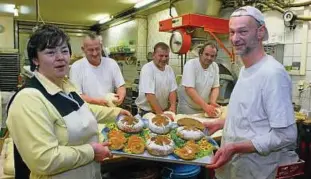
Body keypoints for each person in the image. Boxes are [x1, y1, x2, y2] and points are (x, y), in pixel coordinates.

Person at [6, 25, 132, 179]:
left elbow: (84, 111)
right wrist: (92, 151)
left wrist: (116, 114)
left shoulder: (65, 85)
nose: (60, 57)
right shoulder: (28, 99)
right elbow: (45, 160)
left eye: (64, 51)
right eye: (50, 52)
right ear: (35, 59)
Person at [204, 6, 298, 179]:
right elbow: (251, 116)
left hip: (257, 172)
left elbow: (286, 135)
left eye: (243, 32)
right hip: (235, 169)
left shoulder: (272, 73)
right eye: (232, 32)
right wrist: (221, 123)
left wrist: (235, 147)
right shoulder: (245, 70)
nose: (235, 38)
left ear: (260, 32)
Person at [69, 32, 126, 106]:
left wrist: (121, 96)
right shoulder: (76, 67)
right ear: (83, 49)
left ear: (101, 47)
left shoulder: (111, 63)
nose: (95, 53)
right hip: (88, 111)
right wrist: (97, 101)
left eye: (97, 49)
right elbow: (77, 95)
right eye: (90, 50)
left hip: (109, 110)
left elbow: (121, 86)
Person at [135, 42, 177, 117]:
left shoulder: (169, 69)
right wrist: (161, 115)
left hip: (162, 110)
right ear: (154, 55)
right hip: (147, 112)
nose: (164, 58)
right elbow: (150, 96)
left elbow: (172, 90)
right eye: (161, 56)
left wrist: (172, 106)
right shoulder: (148, 69)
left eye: (166, 56)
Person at [177, 41, 219, 115]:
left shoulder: (214, 66)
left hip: (203, 108)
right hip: (187, 107)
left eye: (212, 56)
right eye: (206, 54)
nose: (209, 58)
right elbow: (189, 89)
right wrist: (205, 106)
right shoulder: (191, 65)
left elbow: (215, 87)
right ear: (200, 53)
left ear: (215, 57)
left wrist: (212, 102)